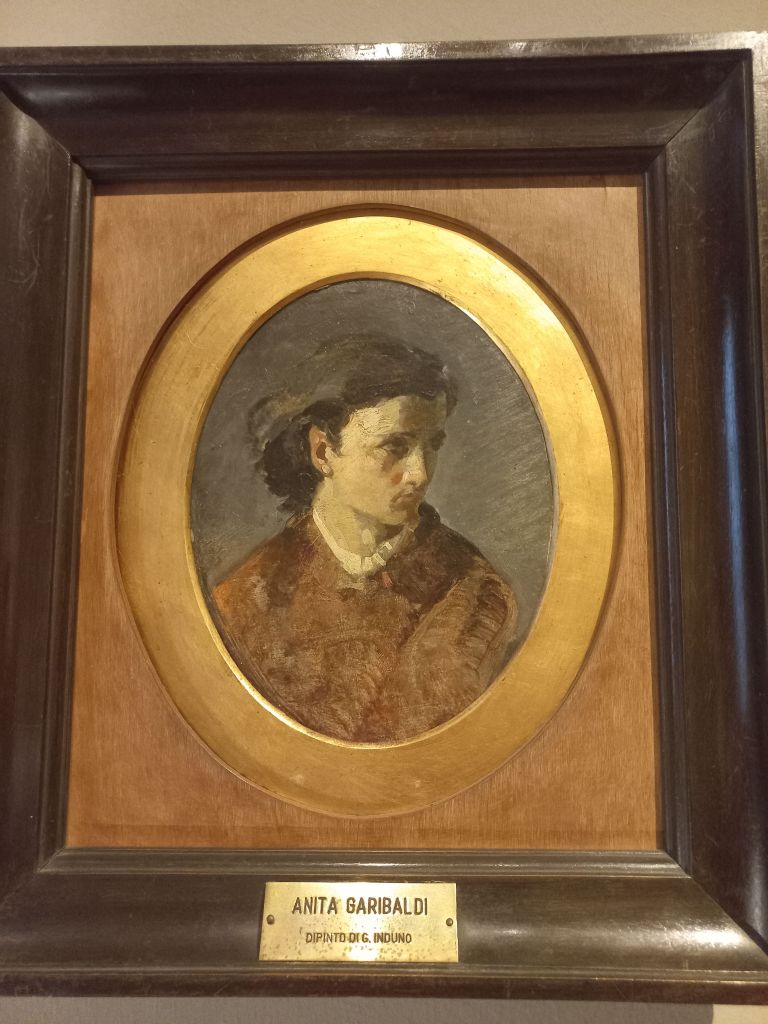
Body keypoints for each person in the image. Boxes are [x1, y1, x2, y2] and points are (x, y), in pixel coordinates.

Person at [210, 335, 517, 743]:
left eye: (432, 445)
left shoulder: (477, 592)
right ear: (323, 452)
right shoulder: (247, 597)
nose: (420, 473)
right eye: (395, 446)